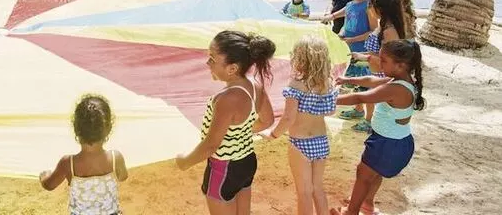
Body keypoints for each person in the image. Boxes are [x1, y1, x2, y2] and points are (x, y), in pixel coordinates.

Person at [175, 30, 275, 215]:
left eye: (212, 59)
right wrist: (240, 132)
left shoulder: (226, 99)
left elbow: (211, 145)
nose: (208, 63)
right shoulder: (255, 86)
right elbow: (267, 120)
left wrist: (185, 162)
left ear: (232, 68)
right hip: (246, 161)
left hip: (223, 169)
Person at [332, 40, 425, 215]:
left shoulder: (396, 89)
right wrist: (347, 79)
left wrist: (328, 100)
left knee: (363, 175)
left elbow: (360, 98)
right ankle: (367, 204)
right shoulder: (402, 80)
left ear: (400, 65)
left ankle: (351, 212)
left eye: (384, 61)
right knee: (374, 174)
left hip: (387, 144)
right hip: (395, 141)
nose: (379, 64)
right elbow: (372, 80)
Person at [259, 36, 337, 215]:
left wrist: (272, 134)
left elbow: (288, 118)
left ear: (300, 59)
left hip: (300, 143)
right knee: (317, 188)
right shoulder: (328, 84)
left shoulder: (296, 85)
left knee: (304, 192)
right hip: (321, 141)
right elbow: (331, 111)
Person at [39, 94, 128, 214]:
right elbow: (123, 177)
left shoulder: (68, 163)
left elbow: (49, 185)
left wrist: (44, 176)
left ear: (76, 129)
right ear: (109, 128)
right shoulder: (115, 158)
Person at [323, 0, 376, 132]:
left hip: (363, 53)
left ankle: (369, 119)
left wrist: (351, 40)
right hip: (351, 51)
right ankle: (358, 110)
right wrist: (334, 23)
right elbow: (346, 15)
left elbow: (373, 31)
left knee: (366, 87)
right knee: (356, 84)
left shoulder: (369, 6)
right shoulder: (351, 4)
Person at [352, 0, 406, 78]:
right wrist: (358, 55)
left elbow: (391, 62)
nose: (368, 8)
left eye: (370, 5)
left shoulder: (389, 32)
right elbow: (375, 53)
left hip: (384, 77)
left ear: (379, 8)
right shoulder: (382, 25)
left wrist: (364, 57)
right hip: (376, 75)